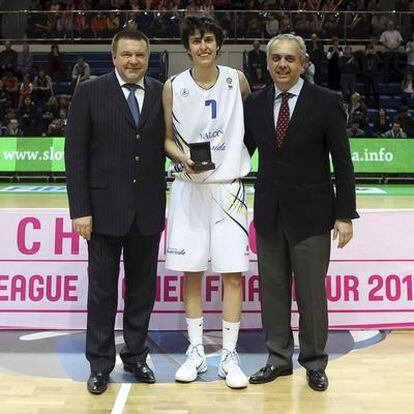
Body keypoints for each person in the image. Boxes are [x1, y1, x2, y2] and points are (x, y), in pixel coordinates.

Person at [244, 33, 359, 391]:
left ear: (303, 64)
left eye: (289, 59)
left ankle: (313, 361)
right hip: (268, 214)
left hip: (312, 215)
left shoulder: (325, 102)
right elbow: (240, 152)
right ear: (267, 63)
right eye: (276, 58)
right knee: (273, 292)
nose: (282, 64)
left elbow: (342, 161)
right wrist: (202, 166)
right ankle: (278, 359)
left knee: (311, 295)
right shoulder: (256, 104)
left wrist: (345, 214)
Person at [65, 29, 165, 395]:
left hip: (149, 210)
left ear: (147, 56)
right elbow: (74, 155)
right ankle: (100, 363)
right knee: (103, 293)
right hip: (103, 211)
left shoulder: (160, 92)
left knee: (142, 292)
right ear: (114, 57)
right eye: (127, 55)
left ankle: (136, 355)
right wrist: (80, 210)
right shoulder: (90, 92)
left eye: (139, 54)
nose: (133, 61)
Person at [163, 15, 251, 389]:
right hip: (188, 187)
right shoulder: (172, 86)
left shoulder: (237, 79)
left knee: (232, 274)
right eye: (196, 41)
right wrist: (180, 158)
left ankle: (229, 355)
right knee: (192, 271)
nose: (203, 46)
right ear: (187, 48)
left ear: (218, 44)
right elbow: (166, 138)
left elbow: (249, 120)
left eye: (209, 40)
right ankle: (196, 350)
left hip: (228, 189)